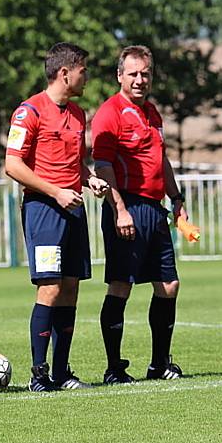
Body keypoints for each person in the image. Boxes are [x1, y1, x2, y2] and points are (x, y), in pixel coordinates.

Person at [5, 42, 108, 392]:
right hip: (44, 209)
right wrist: (55, 191)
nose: (87, 77)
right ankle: (39, 373)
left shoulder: (78, 114)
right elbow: (13, 165)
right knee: (49, 287)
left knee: (71, 288)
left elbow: (72, 162)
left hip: (73, 208)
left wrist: (88, 178)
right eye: (84, 71)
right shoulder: (29, 111)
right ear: (65, 73)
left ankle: (62, 372)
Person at [92, 45, 189, 384]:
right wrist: (118, 209)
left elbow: (161, 160)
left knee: (169, 285)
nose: (139, 79)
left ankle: (159, 364)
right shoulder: (109, 113)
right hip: (127, 208)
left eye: (145, 73)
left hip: (154, 209)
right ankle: (113, 368)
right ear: (120, 75)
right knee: (121, 285)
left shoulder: (152, 113)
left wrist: (176, 199)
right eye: (132, 73)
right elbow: (102, 165)